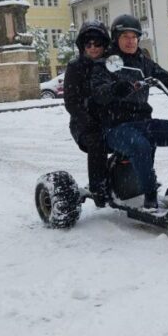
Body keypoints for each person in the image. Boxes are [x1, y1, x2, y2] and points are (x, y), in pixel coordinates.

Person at [92, 14, 168, 210]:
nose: (131, 41)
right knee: (140, 145)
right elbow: (99, 92)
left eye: (134, 37)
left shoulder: (143, 61)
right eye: (125, 37)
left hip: (144, 123)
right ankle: (150, 196)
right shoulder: (105, 63)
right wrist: (115, 88)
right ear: (116, 38)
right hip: (116, 127)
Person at [63, 20, 111, 208]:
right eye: (88, 44)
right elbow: (71, 102)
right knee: (97, 141)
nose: (93, 48)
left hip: (110, 119)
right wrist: (88, 120)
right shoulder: (75, 67)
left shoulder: (111, 63)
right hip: (83, 123)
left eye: (97, 43)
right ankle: (98, 187)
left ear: (104, 44)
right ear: (82, 46)